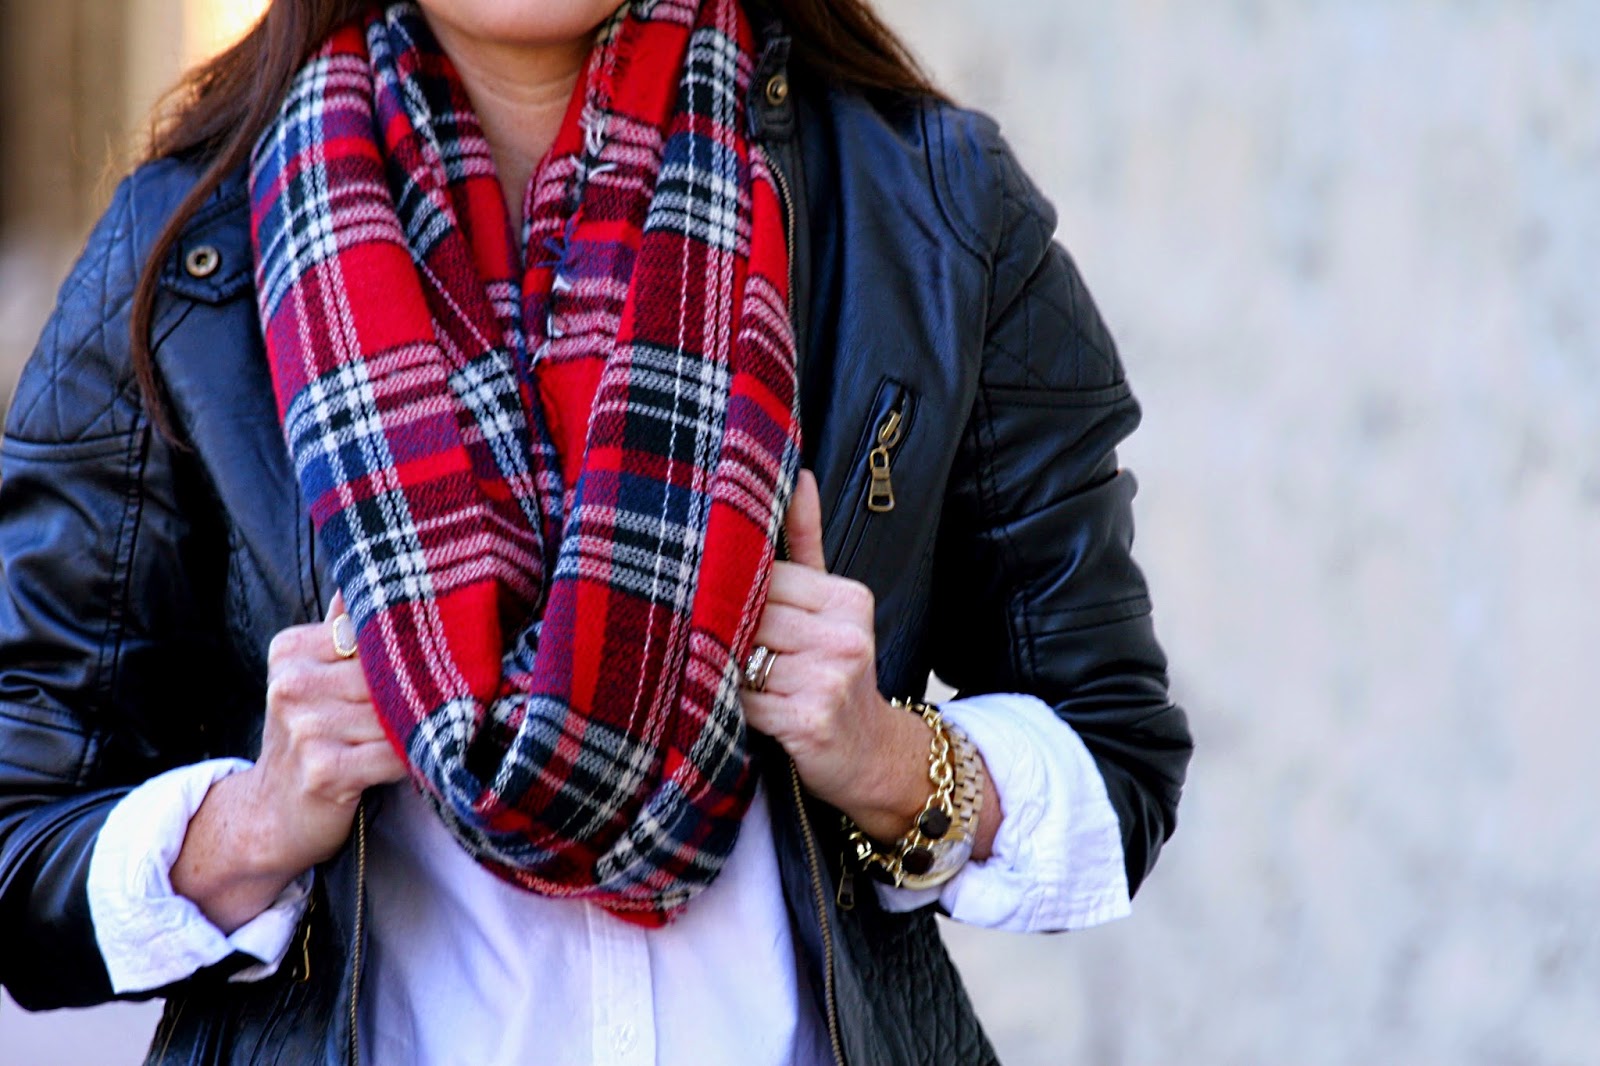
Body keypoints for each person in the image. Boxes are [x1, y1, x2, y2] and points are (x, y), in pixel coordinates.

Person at [0, 0, 1192, 1062]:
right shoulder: (186, 260)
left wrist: (889, 763)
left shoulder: (933, 213)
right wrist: (250, 825)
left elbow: (1114, 756)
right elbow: (20, 839)